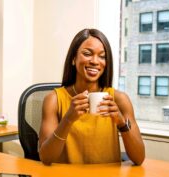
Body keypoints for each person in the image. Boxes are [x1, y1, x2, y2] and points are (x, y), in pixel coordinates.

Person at [38, 29, 145, 165]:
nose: (95, 61)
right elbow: (46, 158)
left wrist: (122, 123)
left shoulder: (119, 99)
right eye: (87, 54)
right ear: (73, 58)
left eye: (102, 56)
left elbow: (139, 158)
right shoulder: (53, 99)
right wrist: (68, 119)